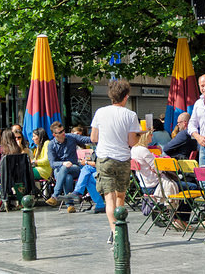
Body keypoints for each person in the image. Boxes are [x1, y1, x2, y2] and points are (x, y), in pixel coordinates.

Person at [90, 80, 140, 244]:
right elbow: (132, 142)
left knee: (109, 198)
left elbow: (93, 138)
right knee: (121, 196)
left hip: (104, 159)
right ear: (126, 97)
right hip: (123, 158)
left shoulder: (100, 112)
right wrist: (141, 135)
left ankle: (114, 232)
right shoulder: (130, 115)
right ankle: (118, 228)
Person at [45, 121, 91, 213]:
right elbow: (52, 164)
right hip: (59, 170)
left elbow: (85, 139)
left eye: (63, 131)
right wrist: (63, 163)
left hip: (74, 167)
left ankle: (55, 195)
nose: (63, 133)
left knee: (66, 170)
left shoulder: (71, 137)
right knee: (68, 177)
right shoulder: (51, 145)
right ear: (54, 134)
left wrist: (97, 137)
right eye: (60, 132)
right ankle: (70, 206)